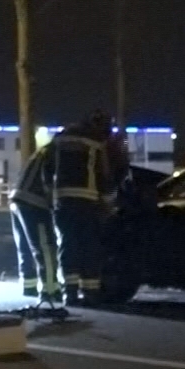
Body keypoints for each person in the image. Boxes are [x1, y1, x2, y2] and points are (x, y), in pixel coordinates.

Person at [49, 111, 124, 305]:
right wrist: (109, 204)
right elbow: (103, 175)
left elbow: (47, 169)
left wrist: (53, 195)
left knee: (68, 244)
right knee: (89, 246)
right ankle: (90, 293)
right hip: (87, 201)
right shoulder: (96, 142)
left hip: (63, 200)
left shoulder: (60, 138)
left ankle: (70, 293)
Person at [10, 142, 59, 304]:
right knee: (45, 247)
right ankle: (50, 289)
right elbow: (50, 181)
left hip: (18, 199)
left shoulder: (43, 151)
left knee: (25, 246)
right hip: (35, 202)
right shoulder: (56, 153)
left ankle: (29, 285)